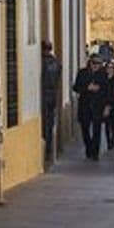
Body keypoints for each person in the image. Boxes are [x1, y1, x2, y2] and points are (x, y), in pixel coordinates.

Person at [73, 54, 111, 160]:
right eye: (94, 62)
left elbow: (107, 91)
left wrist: (107, 106)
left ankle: (95, 153)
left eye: (99, 63)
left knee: (97, 130)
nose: (96, 65)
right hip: (85, 105)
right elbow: (76, 87)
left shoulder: (103, 75)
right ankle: (88, 147)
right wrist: (87, 88)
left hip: (98, 106)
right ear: (90, 62)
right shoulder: (82, 73)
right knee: (85, 129)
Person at [40, 41, 62, 170]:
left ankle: (46, 150)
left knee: (45, 124)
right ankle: (49, 149)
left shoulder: (43, 63)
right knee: (50, 123)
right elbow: (58, 80)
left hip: (45, 95)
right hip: (53, 95)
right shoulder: (56, 63)